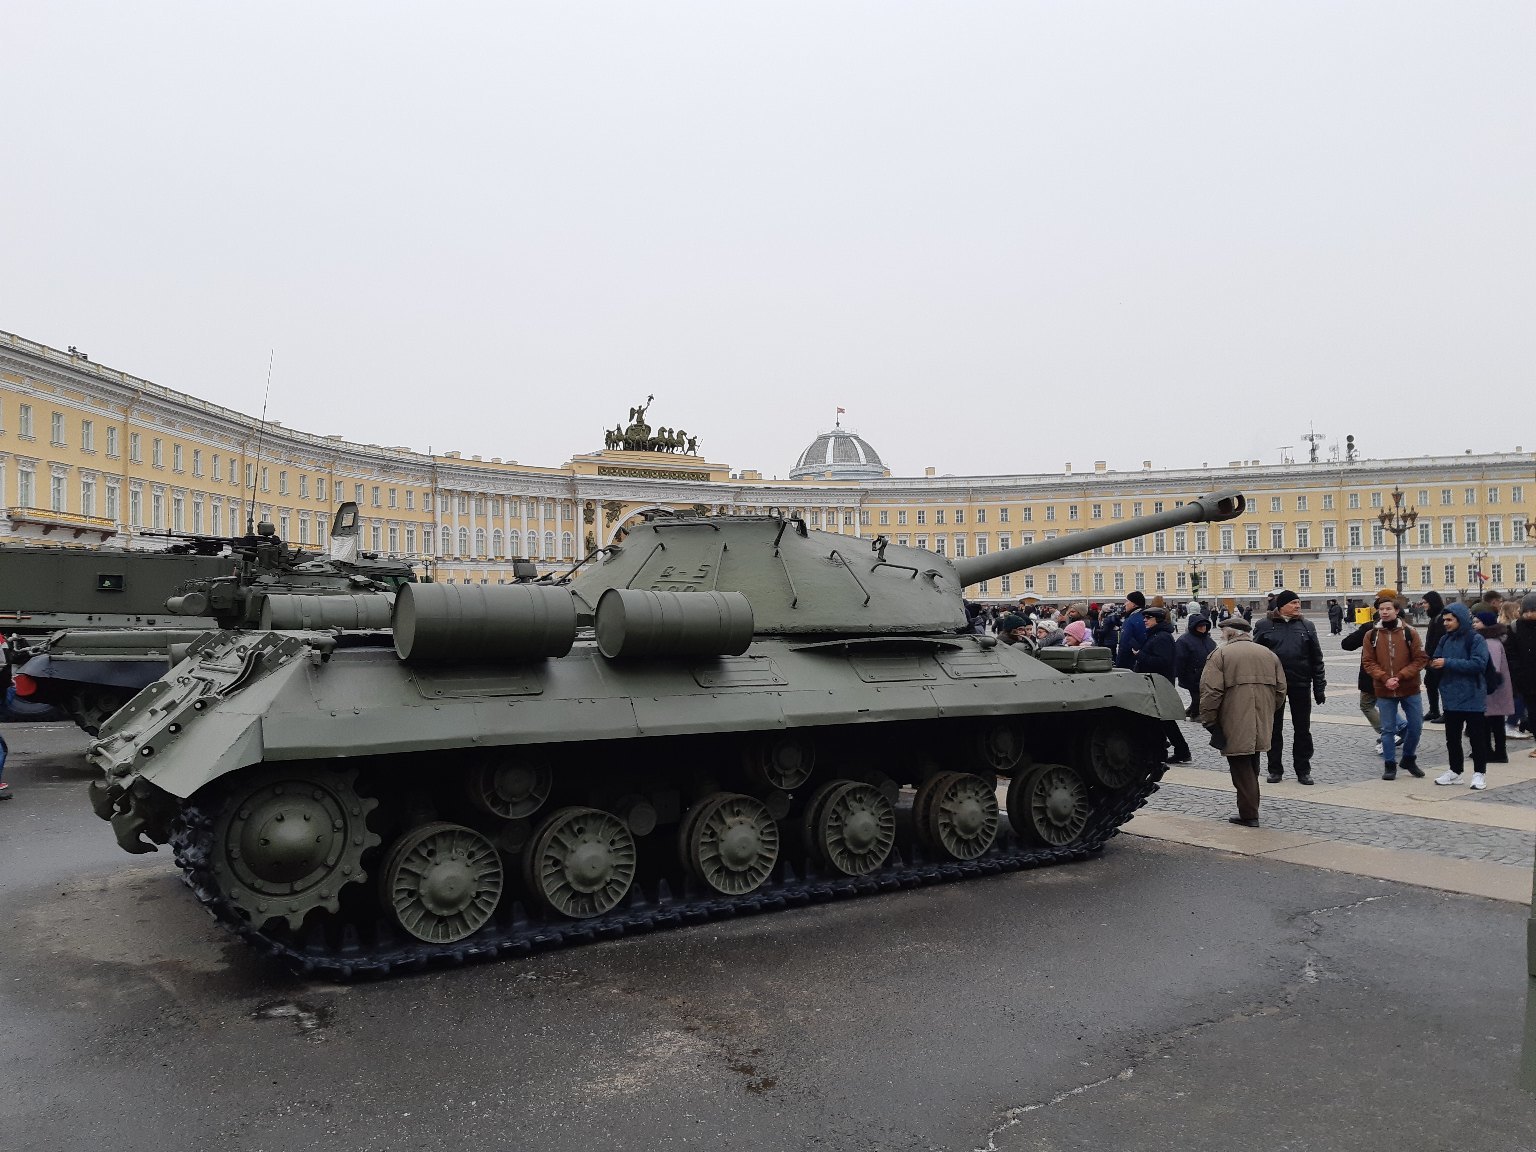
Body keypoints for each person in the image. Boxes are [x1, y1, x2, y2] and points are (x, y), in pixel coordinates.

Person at [1198, 616, 1287, 826]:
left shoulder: (1220, 654)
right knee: (1252, 761)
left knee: (1240, 765)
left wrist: (1209, 721)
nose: (1221, 637)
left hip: (1233, 718)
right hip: (1261, 716)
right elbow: (1281, 690)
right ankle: (1249, 809)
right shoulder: (1268, 654)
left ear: (1230, 633)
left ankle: (1249, 814)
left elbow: (1211, 692)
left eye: (1222, 633)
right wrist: (1267, 710)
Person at [1253, 589, 1326, 784]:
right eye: (1293, 603)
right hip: (1273, 686)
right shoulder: (1264, 625)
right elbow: (1255, 657)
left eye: (1298, 602)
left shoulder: (1307, 625)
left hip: (1300, 683)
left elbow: (1317, 659)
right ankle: (1275, 769)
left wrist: (1319, 687)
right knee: (1273, 729)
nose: (1297, 606)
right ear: (1282, 605)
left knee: (1302, 729)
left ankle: (1303, 770)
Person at [1359, 593, 1428, 780]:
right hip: (1384, 689)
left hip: (1409, 687)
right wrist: (1384, 678)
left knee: (1416, 726)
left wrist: (1400, 676)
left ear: (1397, 611)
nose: (1384, 612)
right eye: (1381, 609)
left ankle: (1409, 758)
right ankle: (1390, 765)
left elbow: (1420, 659)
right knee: (1387, 730)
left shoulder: (1409, 632)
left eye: (1388, 609)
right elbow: (1368, 661)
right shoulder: (1371, 635)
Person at [1430, 602, 1491, 788]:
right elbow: (1435, 659)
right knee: (1452, 738)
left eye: (1449, 620)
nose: (1446, 623)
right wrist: (1432, 664)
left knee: (1477, 738)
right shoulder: (1444, 640)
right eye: (1444, 620)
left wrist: (1447, 663)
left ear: (1460, 619)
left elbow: (1478, 664)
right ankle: (1455, 771)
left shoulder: (1476, 639)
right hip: (1450, 696)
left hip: (1473, 695)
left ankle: (1479, 773)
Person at [1340, 591, 1407, 756]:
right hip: (1394, 675)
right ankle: (1402, 726)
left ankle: (1388, 734)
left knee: (1367, 705)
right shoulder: (1404, 627)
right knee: (1384, 703)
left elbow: (1347, 644)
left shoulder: (1370, 628)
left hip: (1373, 675)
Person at [1134, 607, 1190, 763]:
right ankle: (1169, 750)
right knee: (1160, 719)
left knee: (1164, 719)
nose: (1145, 620)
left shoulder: (1162, 637)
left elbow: (1162, 662)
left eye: (1148, 618)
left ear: (1157, 620)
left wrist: (1140, 655)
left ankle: (1179, 750)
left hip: (1159, 683)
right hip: (1154, 682)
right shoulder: (1157, 635)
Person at [1473, 610, 1512, 764]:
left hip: (1492, 688)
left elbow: (1493, 667)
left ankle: (1496, 752)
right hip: (1492, 687)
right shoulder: (1487, 640)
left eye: (1477, 621)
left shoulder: (1490, 642)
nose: (1474, 624)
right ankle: (1489, 750)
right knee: (1492, 721)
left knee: (1492, 722)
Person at [1508, 593, 1536, 757]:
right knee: (1532, 712)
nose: (1530, 614)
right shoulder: (1515, 627)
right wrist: (1517, 672)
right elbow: (1511, 653)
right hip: (1526, 678)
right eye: (1528, 611)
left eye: (1533, 610)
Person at [1174, 614, 1216, 719]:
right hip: (1191, 674)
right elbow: (1179, 659)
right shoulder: (1184, 641)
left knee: (1202, 696)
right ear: (1193, 626)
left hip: (1206, 673)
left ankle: (1191, 710)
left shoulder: (1208, 639)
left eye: (1204, 626)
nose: (1203, 628)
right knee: (1197, 696)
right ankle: (1195, 714)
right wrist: (1181, 675)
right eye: (1200, 626)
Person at [1419, 591, 1447, 722]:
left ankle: (1447, 712)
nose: (1423, 605)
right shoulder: (1435, 617)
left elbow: (1438, 640)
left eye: (1425, 602)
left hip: (1438, 658)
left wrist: (1431, 657)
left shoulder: (1441, 618)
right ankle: (1434, 710)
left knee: (1442, 684)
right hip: (1431, 657)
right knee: (1430, 683)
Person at [1114, 591, 1147, 669]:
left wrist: (1119, 666)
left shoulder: (1131, 620)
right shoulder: (1146, 617)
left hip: (1131, 664)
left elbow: (1125, 644)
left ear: (1134, 604)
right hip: (1144, 661)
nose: (1125, 604)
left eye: (1127, 601)